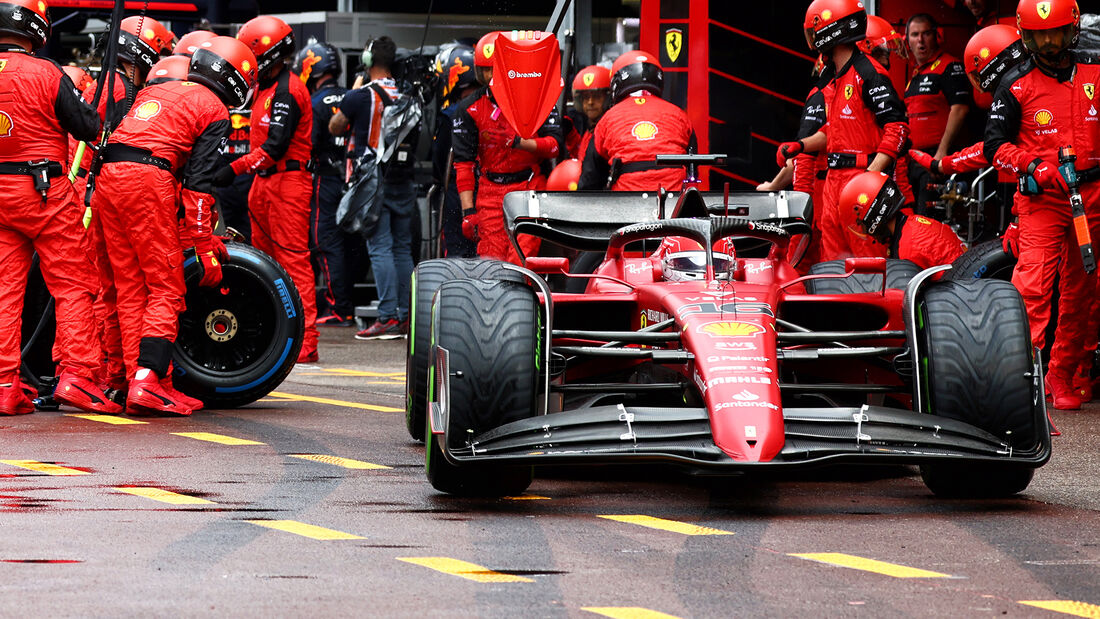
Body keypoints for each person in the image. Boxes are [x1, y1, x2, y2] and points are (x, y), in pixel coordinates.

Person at [93, 36, 256, 415]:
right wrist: (202, 245)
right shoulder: (214, 108)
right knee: (166, 285)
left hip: (108, 177)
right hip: (147, 180)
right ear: (236, 78)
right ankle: (150, 379)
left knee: (131, 285)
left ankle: (138, 379)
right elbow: (199, 184)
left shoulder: (163, 88)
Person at [0, 0, 116, 415]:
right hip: (43, 192)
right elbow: (85, 127)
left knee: (5, 292)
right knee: (73, 284)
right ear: (35, 28)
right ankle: (78, 376)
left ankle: (3, 384)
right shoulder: (47, 71)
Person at [984, 0, 1099, 410]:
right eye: (1040, 34)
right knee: (1031, 288)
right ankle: (1015, 383)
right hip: (1043, 199)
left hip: (1092, 197)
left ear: (1071, 30)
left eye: (1056, 33)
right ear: (1025, 35)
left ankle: (1061, 374)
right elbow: (994, 146)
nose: (1049, 42)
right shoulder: (1015, 83)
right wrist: (1031, 164)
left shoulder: (1095, 69)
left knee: (1084, 291)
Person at [222, 16, 319, 362]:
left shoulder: (288, 89)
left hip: (287, 183)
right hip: (263, 184)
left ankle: (305, 342)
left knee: (292, 261)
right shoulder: (264, 89)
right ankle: (273, 334)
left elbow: (276, 146)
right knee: (263, 263)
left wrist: (233, 168)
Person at [798, 0, 910, 261]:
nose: (813, 40)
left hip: (860, 180)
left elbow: (897, 127)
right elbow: (835, 130)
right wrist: (801, 146)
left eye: (816, 32)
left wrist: (870, 176)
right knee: (831, 263)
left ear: (832, 31)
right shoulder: (833, 76)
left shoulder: (868, 73)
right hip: (833, 182)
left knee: (865, 262)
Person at [328, 36, 418, 340]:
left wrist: (350, 96)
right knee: (403, 248)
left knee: (379, 247)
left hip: (372, 181)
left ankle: (388, 316)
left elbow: (335, 127)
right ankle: (406, 316)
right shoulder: (409, 95)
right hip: (403, 180)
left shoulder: (359, 96)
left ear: (367, 61)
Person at [453, 31, 564, 264]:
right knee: (491, 265)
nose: (491, 76)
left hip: (529, 188)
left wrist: (520, 143)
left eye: (496, 70)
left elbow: (555, 147)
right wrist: (467, 212)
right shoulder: (470, 108)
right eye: (486, 71)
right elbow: (463, 163)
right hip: (489, 192)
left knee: (521, 262)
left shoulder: (539, 99)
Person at [296, 40, 356, 327]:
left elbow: (308, 145)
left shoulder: (314, 104)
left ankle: (338, 308)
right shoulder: (352, 97)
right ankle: (345, 305)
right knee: (350, 245)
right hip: (354, 183)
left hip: (326, 182)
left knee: (325, 243)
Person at [578, 50, 693, 192]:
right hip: (675, 201)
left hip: (626, 203)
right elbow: (693, 166)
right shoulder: (679, 115)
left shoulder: (608, 119)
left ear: (616, 83)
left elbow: (591, 177)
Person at [904, 13, 972, 214]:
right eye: (915, 35)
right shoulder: (915, 75)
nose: (920, 40)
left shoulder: (950, 66)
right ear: (907, 41)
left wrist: (940, 155)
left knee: (930, 222)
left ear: (936, 36)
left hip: (938, 160)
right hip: (915, 162)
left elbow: (960, 109)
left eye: (926, 34)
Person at [840, 171, 966, 269]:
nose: (864, 229)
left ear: (873, 216)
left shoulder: (908, 250)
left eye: (861, 223)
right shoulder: (913, 223)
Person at [432, 43, 478, 258]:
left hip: (459, 190)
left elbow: (440, 163)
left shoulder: (450, 113)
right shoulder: (491, 104)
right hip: (491, 189)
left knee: (457, 252)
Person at [566, 64, 611, 159]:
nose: (590, 102)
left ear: (608, 98)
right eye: (586, 97)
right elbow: (583, 157)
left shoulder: (610, 132)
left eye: (597, 96)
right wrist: (571, 135)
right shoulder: (591, 129)